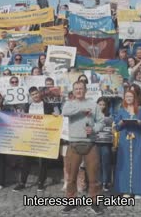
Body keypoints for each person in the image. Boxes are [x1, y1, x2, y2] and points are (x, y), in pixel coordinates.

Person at [61, 81, 104, 214]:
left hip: (90, 143)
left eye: (81, 89)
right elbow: (65, 112)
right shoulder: (69, 104)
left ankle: (95, 203)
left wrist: (94, 129)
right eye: (76, 89)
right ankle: (71, 202)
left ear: (85, 90)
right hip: (73, 144)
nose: (78, 91)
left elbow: (101, 121)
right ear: (73, 91)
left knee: (93, 177)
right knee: (71, 176)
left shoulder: (93, 104)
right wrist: (81, 109)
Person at [13, 87, 59, 192]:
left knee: (43, 161)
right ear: (30, 96)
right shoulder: (27, 106)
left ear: (39, 93)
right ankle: (22, 183)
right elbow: (23, 119)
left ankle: (41, 183)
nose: (35, 95)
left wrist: (56, 116)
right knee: (26, 161)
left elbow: (55, 118)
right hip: (30, 137)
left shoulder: (48, 106)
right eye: (33, 94)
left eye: (36, 93)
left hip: (43, 137)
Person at [114, 90, 141, 199]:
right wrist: (121, 123)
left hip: (138, 139)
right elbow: (116, 127)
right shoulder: (121, 111)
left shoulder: (140, 110)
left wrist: (140, 123)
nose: (129, 98)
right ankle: (126, 190)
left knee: (138, 163)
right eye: (127, 96)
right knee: (125, 164)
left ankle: (138, 190)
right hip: (125, 140)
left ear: (134, 97)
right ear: (124, 98)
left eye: (131, 96)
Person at [95, 97, 114, 192]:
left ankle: (106, 182)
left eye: (103, 104)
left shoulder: (110, 116)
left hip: (106, 143)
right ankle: (98, 181)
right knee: (97, 163)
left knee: (106, 163)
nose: (102, 106)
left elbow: (112, 128)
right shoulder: (93, 115)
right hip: (96, 142)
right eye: (100, 104)